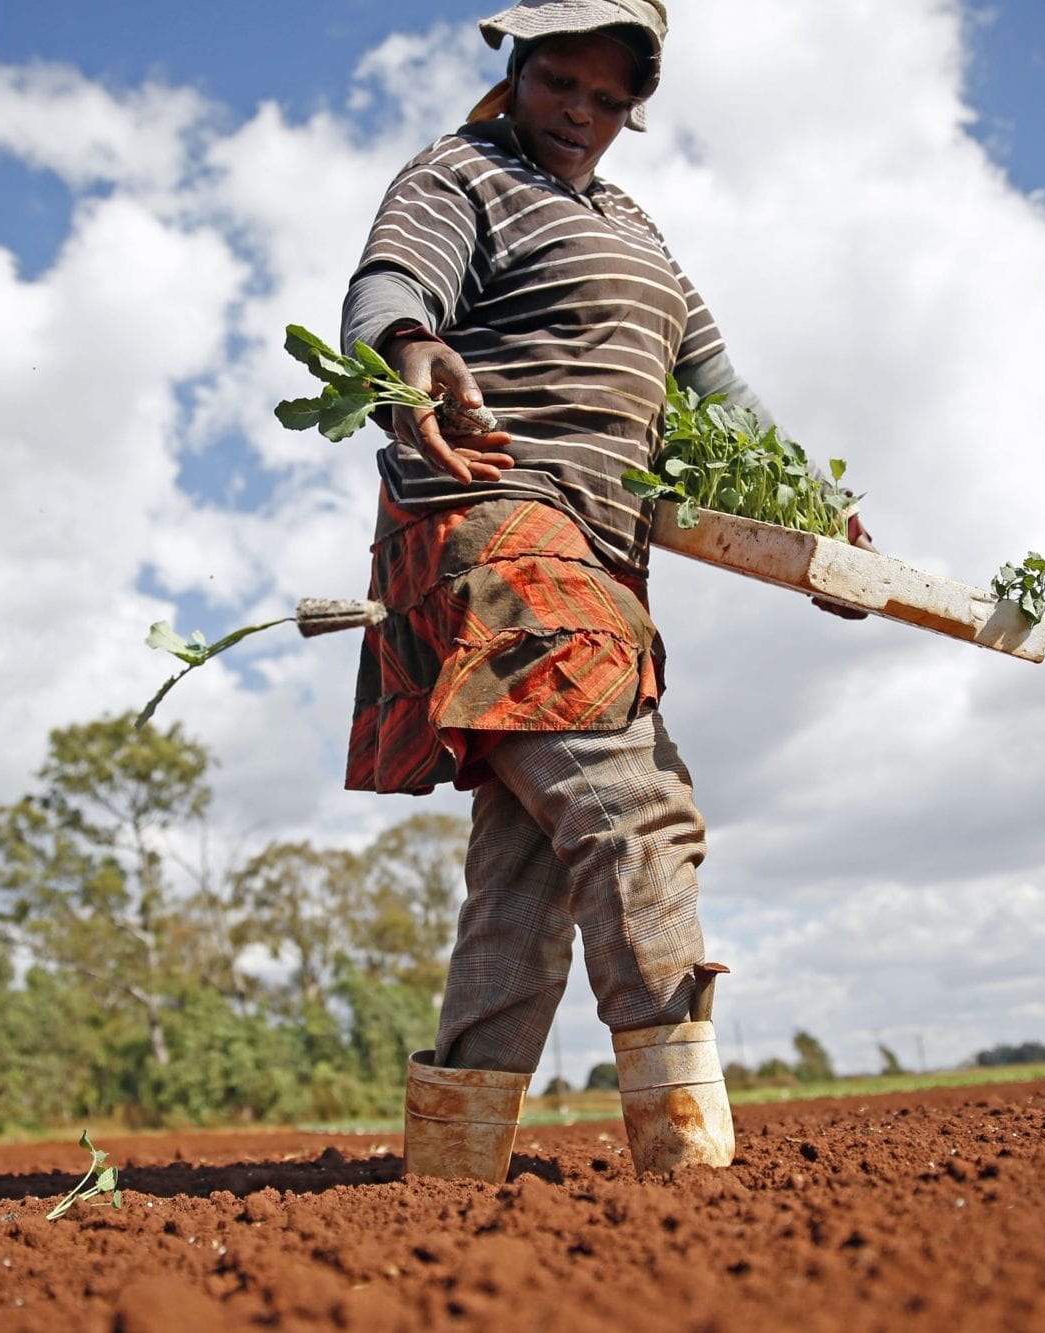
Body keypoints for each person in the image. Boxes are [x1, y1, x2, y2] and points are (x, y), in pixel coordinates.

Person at [340, 0, 867, 1182]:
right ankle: (686, 1160)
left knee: (527, 866)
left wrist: (810, 517)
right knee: (635, 809)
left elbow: (717, 391)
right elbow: (390, 287)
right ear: (517, 72)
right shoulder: (458, 172)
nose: (581, 115)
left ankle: (450, 1166)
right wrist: (410, 351)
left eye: (609, 100)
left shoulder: (632, 226)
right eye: (560, 85)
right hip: (492, 530)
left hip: (600, 561)